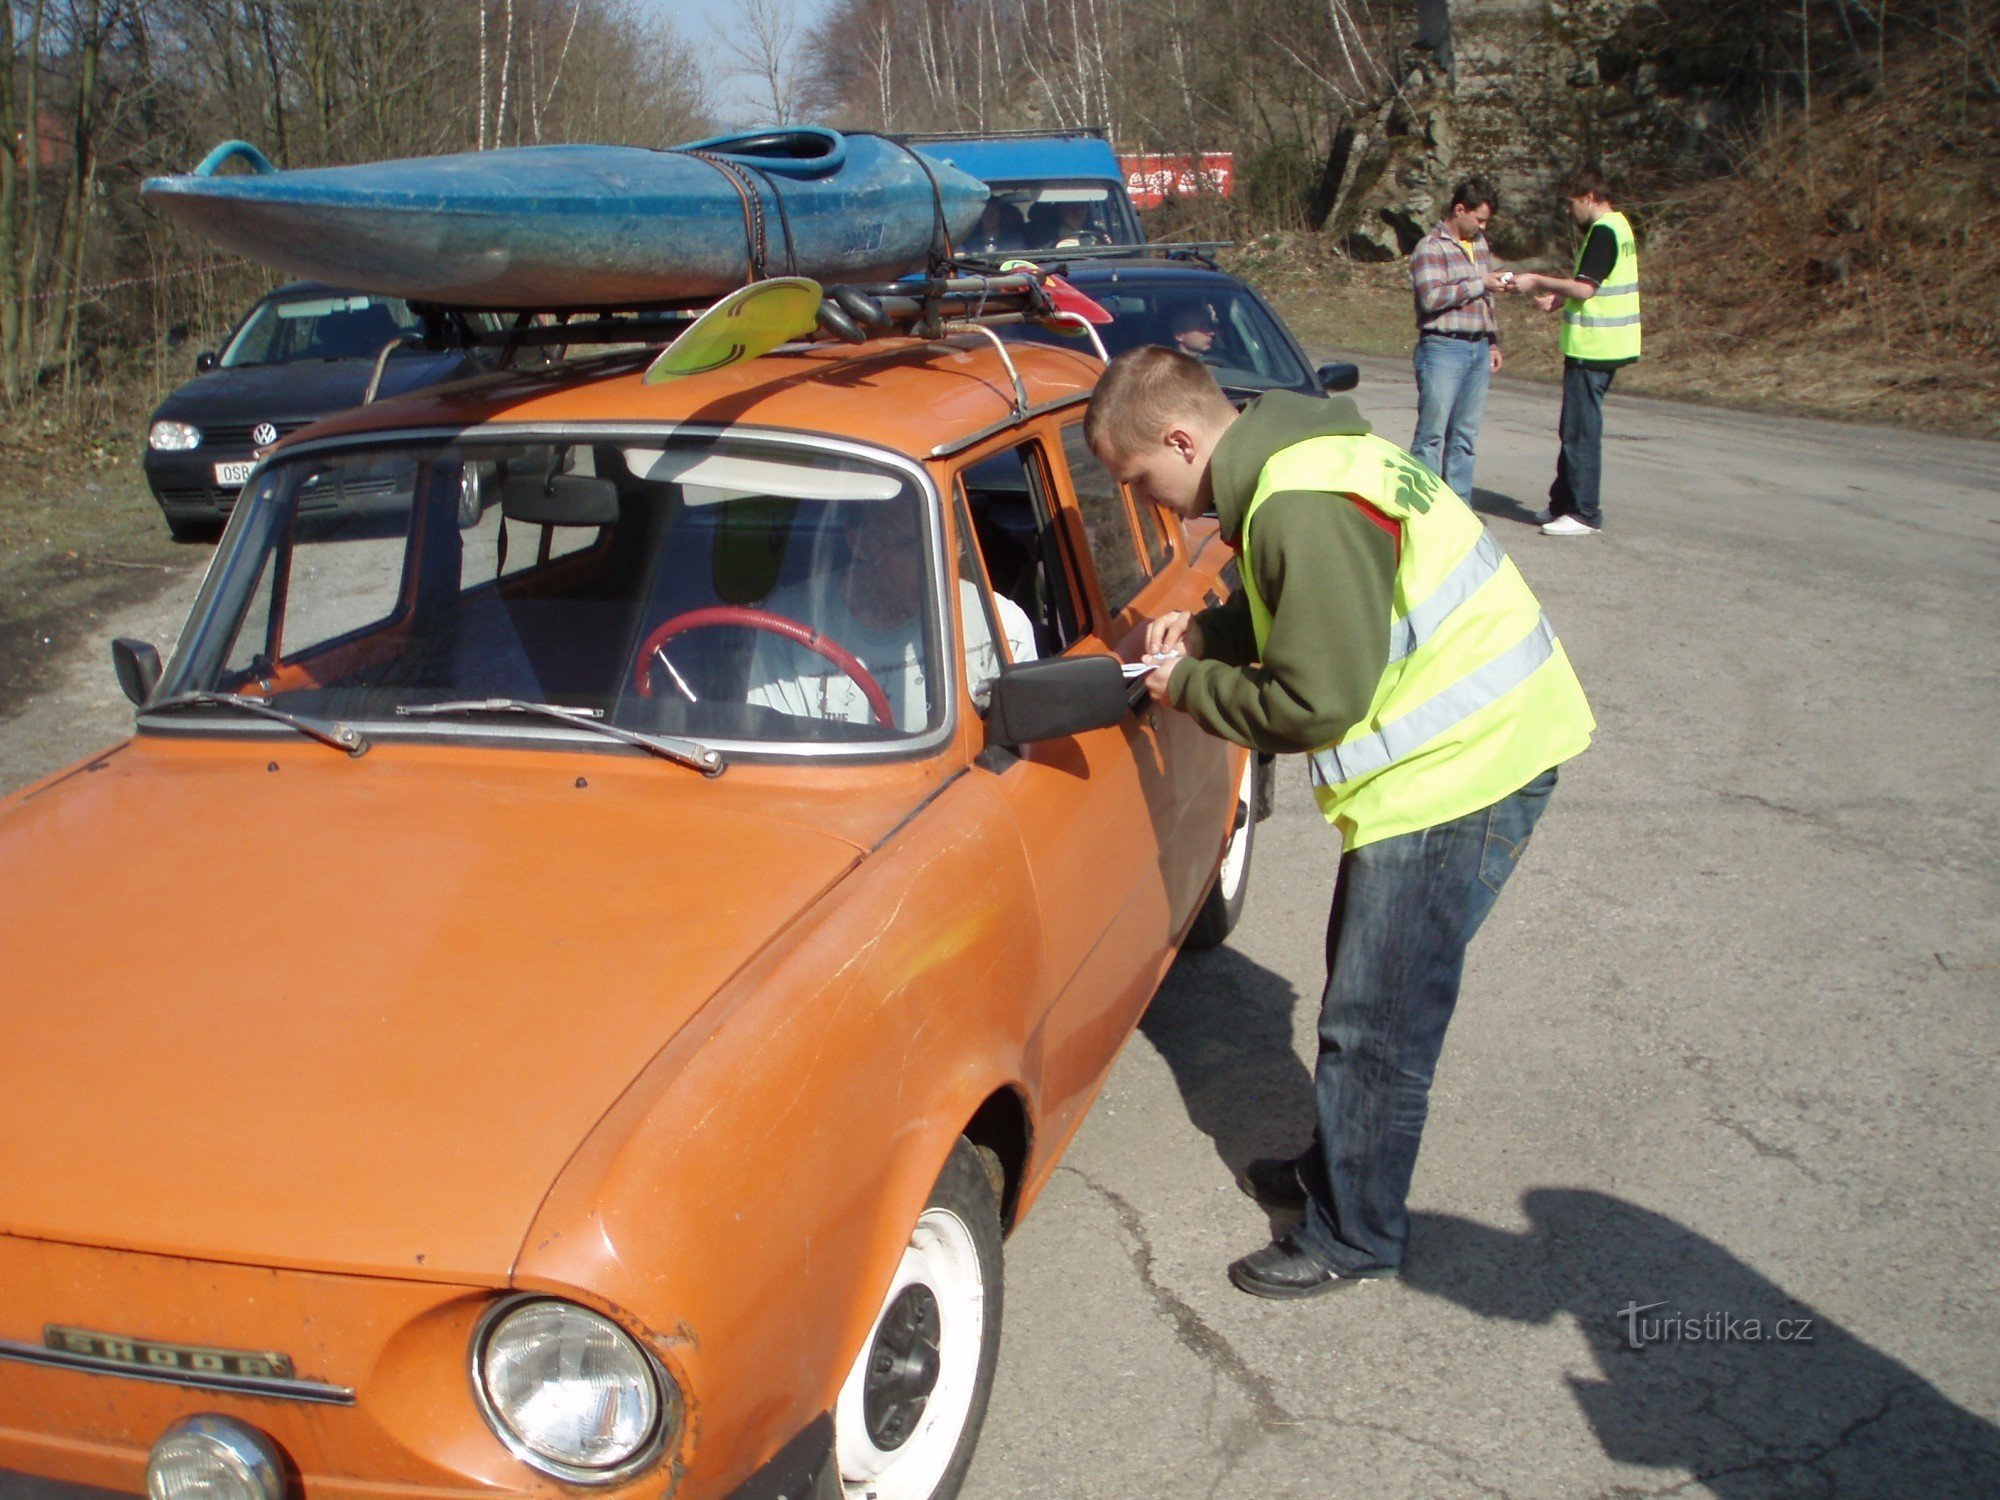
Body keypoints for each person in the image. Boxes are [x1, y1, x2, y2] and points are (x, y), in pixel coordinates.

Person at [1085, 346, 1594, 1299]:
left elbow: (1316, 700)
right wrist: (1202, 629)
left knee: (1376, 1022)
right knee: (1366, 999)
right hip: (1481, 746)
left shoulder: (1296, 504)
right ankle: (1341, 1172)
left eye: (1139, 477)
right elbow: (1299, 609)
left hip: (1463, 769)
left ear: (1182, 438)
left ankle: (1356, 1233)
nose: (1148, 503)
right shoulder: (1299, 457)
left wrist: (1187, 684)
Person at [746, 498, 1035, 730]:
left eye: (950, 543)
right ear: (859, 542)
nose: (938, 565)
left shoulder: (998, 624)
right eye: (913, 546)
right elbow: (772, 743)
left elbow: (1017, 753)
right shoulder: (788, 623)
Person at [1509, 166, 1642, 535]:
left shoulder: (1603, 231)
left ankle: (1584, 512)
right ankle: (1563, 505)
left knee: (1580, 432)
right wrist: (1559, 298)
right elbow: (1591, 287)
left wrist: (1537, 279)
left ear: (1588, 197)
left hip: (1596, 346)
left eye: (1571, 204)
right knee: (1573, 427)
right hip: (1603, 345)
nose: (1569, 212)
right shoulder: (1620, 226)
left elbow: (1585, 289)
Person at [1409, 177, 1510, 502]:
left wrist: (1492, 341)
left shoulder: (1479, 245)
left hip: (1477, 347)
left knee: (1464, 436)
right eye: (1478, 218)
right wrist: (1479, 282)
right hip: (1442, 348)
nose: (1482, 226)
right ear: (1459, 209)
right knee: (1432, 435)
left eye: (1486, 221)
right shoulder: (1430, 247)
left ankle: (1460, 511)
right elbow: (1431, 299)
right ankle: (1421, 509)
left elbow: (1486, 298)